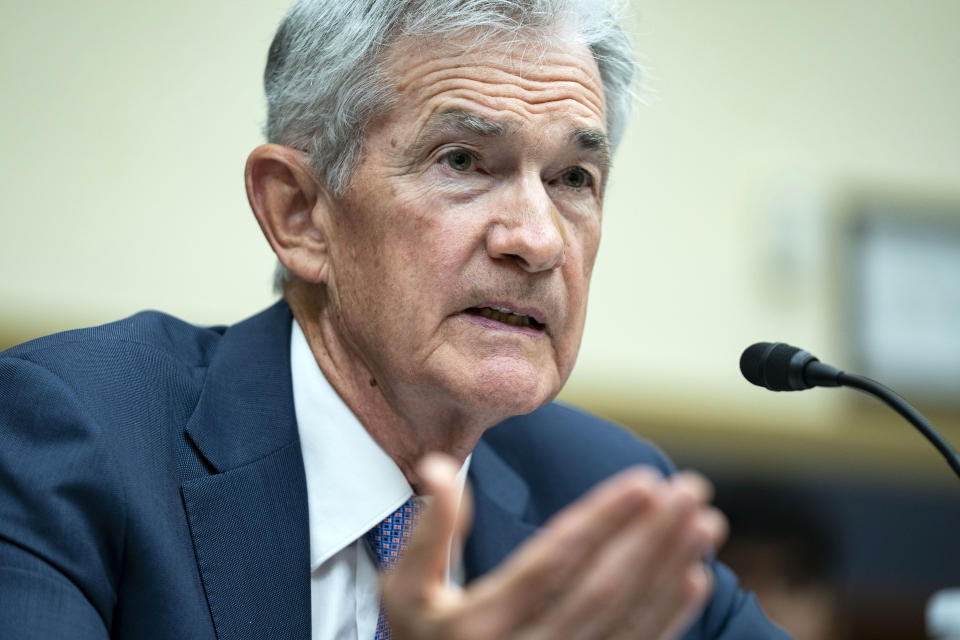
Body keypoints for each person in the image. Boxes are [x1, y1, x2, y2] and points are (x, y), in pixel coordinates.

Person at [0, 1, 791, 638]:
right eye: (462, 162)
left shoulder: (605, 501)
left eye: (573, 178)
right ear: (300, 212)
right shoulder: (76, 436)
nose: (539, 239)